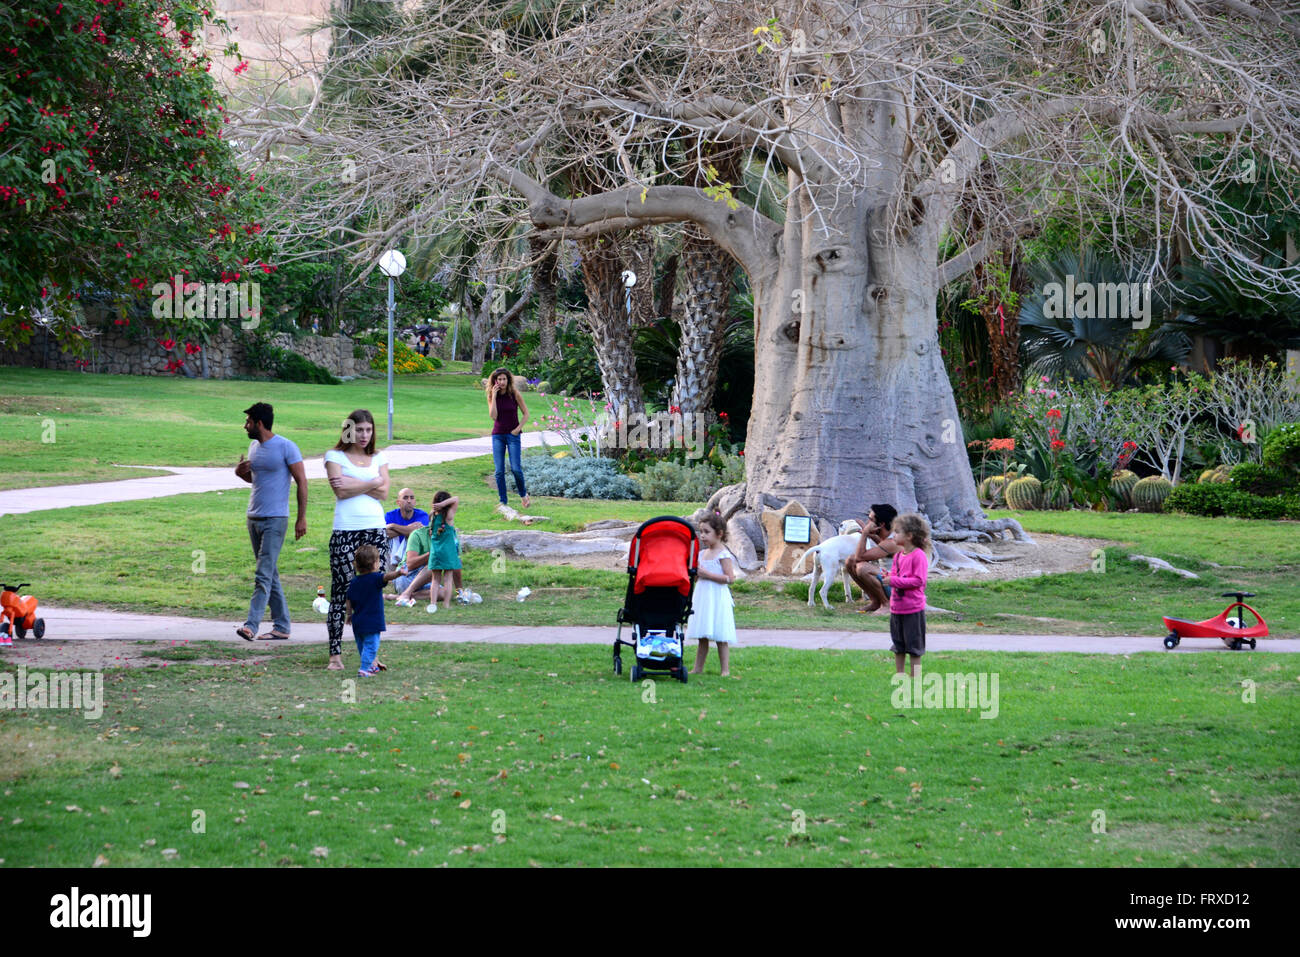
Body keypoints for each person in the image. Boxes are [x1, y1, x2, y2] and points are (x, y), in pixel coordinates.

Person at [234, 402, 308, 642]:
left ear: (260, 423)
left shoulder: (286, 447)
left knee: (262, 574)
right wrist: (240, 473)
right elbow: (257, 481)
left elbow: (302, 483)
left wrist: (301, 518)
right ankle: (282, 626)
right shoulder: (253, 447)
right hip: (253, 517)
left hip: (276, 520)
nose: (245, 426)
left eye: (248, 422)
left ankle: (250, 626)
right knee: (270, 573)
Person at [324, 410, 390, 671]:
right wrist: (371, 481)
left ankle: (369, 657)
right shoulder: (334, 456)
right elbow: (339, 490)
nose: (364, 435)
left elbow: (385, 492)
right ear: (348, 430)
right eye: (359, 430)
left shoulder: (379, 457)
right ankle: (335, 656)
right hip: (345, 531)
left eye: (369, 430)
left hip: (375, 530)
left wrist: (357, 482)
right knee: (341, 593)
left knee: (372, 595)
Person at [687, 512, 738, 677]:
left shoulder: (723, 554)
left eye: (707, 532)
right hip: (703, 597)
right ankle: (698, 668)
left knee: (720, 635)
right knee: (703, 635)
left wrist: (707, 574)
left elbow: (730, 578)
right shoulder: (702, 554)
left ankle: (725, 670)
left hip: (717, 597)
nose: (702, 536)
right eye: (701, 531)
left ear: (719, 533)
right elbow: (697, 578)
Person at [345, 544, 407, 677]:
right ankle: (364, 669)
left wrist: (349, 615)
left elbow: (348, 599)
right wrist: (398, 573)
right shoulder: (375, 578)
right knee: (372, 645)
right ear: (374, 564)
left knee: (363, 646)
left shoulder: (354, 581)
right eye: (378, 561)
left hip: (357, 621)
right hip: (372, 621)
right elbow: (387, 577)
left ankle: (371, 666)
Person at [395, 492, 465, 609]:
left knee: (437, 580)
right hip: (407, 577)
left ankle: (410, 597)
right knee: (445, 576)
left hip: (431, 570)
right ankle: (445, 605)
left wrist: (460, 592)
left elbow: (457, 566)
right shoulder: (419, 533)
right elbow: (410, 564)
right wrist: (443, 504)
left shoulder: (438, 521)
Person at [884, 512, 930, 678]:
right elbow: (895, 575)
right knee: (898, 645)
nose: (893, 535)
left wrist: (893, 581)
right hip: (897, 609)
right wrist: (887, 577)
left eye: (897, 532)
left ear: (909, 536)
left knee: (914, 648)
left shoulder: (918, 556)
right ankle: (900, 676)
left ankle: (915, 677)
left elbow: (918, 580)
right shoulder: (897, 555)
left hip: (913, 610)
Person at [486, 367, 531, 511]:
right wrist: (493, 396)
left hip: (513, 436)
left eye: (504, 379)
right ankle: (503, 502)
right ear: (495, 381)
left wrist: (517, 429)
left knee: (516, 469)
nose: (502, 382)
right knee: (499, 471)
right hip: (498, 435)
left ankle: (523, 495)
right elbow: (493, 416)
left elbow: (526, 414)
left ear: (508, 380)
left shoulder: (514, 394)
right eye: (499, 379)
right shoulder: (491, 395)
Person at [847, 503, 900, 613]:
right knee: (850, 561)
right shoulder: (890, 538)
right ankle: (876, 602)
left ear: (881, 524)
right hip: (890, 582)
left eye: (870, 520)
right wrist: (870, 534)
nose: (868, 523)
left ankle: (886, 604)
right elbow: (883, 546)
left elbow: (859, 557)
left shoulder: (892, 542)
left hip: (899, 590)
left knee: (862, 568)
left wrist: (865, 534)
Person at [384, 488, 429, 571]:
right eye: (405, 498)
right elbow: (383, 533)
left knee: (412, 537)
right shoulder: (390, 515)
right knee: (388, 539)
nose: (409, 501)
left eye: (412, 498)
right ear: (398, 502)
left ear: (415, 502)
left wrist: (393, 526)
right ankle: (393, 568)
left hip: (413, 554)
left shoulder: (422, 515)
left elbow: (417, 533)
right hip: (393, 553)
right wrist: (408, 530)